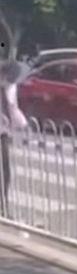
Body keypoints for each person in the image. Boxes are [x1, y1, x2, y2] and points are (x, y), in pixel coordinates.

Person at [0, 60, 27, 217]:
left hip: (3, 132)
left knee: (5, 171)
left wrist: (22, 124)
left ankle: (3, 206)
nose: (8, 81)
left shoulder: (10, 87)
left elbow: (13, 107)